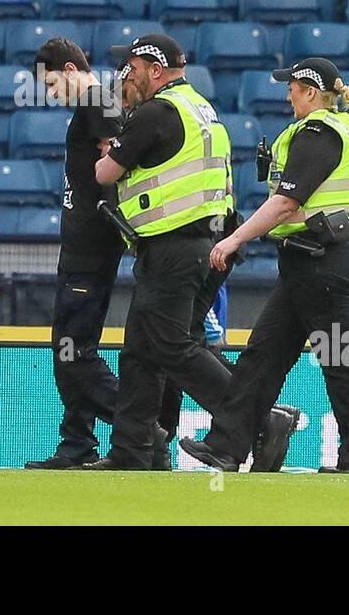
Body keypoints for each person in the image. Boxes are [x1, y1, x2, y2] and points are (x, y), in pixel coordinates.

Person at [80, 34, 292, 470]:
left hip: (174, 248)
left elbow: (104, 172)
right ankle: (131, 451)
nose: (126, 74)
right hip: (205, 246)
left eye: (133, 65)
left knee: (173, 346)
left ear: (156, 69)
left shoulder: (156, 111)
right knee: (141, 350)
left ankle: (260, 419)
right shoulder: (200, 108)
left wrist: (105, 147)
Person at [179, 58, 349, 474]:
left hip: (321, 259)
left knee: (339, 359)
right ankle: (226, 447)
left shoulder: (319, 132)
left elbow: (286, 202)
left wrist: (236, 237)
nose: (287, 93)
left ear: (310, 91)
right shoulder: (334, 127)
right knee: (264, 357)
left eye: (291, 86)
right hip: (309, 258)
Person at [23, 38, 128, 469]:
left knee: (73, 350)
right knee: (70, 349)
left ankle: (140, 427)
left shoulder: (96, 103)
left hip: (92, 248)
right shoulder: (93, 105)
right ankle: (77, 441)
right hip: (84, 247)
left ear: (70, 70)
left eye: (51, 84)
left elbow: (118, 163)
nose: (50, 94)